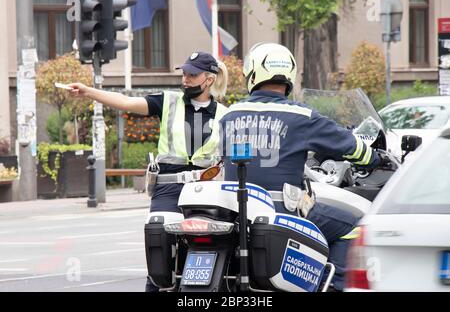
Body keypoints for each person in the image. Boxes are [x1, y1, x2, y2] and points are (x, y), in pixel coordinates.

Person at [219, 43, 383, 291]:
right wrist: (374, 158)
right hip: (284, 210)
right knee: (354, 226)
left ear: (252, 74)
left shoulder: (230, 114)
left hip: (238, 213)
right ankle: (332, 287)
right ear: (289, 76)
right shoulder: (302, 116)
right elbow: (350, 146)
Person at [68, 51, 229, 292]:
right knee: (159, 248)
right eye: (184, 74)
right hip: (168, 187)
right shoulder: (168, 101)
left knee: (212, 248)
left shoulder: (226, 115)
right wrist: (88, 91)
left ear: (209, 79)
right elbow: (124, 102)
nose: (185, 79)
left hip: (205, 191)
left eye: (192, 75)